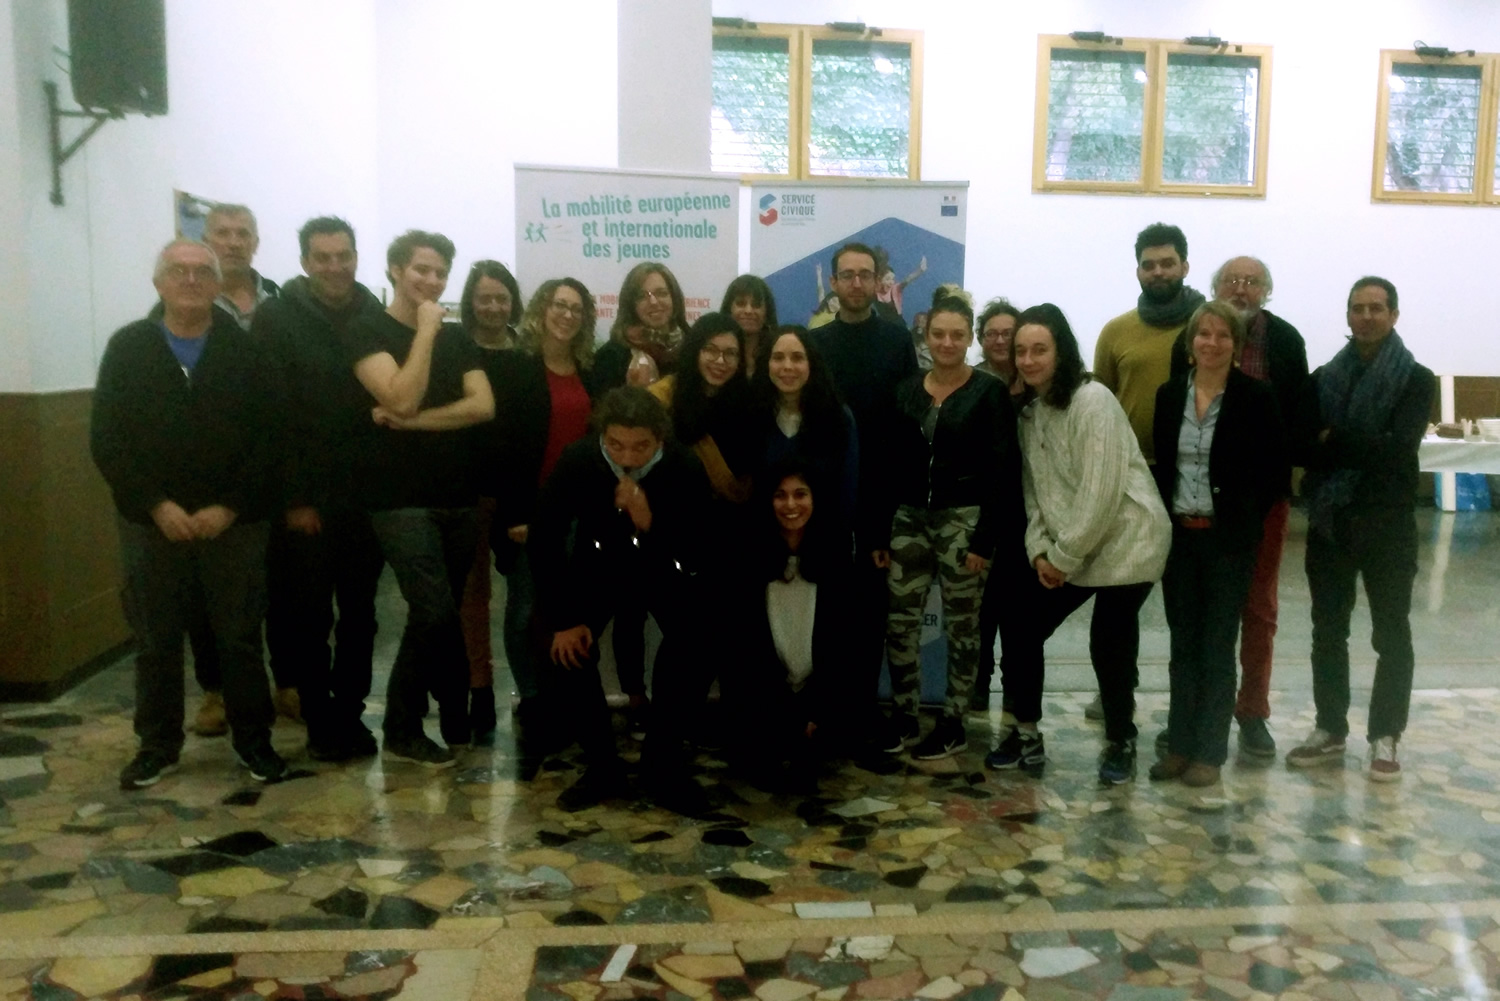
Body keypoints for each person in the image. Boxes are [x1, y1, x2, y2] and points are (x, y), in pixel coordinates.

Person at [91, 239, 286, 788]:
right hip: (151, 524)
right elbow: (107, 439)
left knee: (240, 639)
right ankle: (157, 745)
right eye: (179, 271)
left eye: (203, 271)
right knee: (155, 641)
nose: (192, 280)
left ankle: (254, 742)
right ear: (159, 282)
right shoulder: (129, 347)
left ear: (218, 284)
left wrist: (231, 505)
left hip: (234, 524)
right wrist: (156, 504)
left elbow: (271, 438)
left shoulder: (247, 352)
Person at [986, 304, 1170, 784]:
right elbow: (1034, 494)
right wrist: (1038, 551)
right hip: (1070, 547)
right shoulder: (1031, 415)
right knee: (1021, 623)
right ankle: (1025, 730)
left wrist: (1063, 558)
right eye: (1021, 351)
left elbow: (1100, 491)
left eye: (1039, 349)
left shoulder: (1093, 401)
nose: (1028, 360)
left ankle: (1121, 739)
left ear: (1061, 351)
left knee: (1109, 639)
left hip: (1128, 541)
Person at [346, 230, 495, 768]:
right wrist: (427, 330)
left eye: (440, 273)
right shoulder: (367, 330)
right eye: (421, 270)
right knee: (433, 612)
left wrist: (410, 425)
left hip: (458, 495)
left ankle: (427, 718)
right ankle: (413, 723)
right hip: (399, 499)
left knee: (434, 614)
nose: (432, 281)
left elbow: (482, 406)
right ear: (395, 270)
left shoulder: (459, 340)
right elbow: (402, 395)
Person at [530, 388, 711, 815]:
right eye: (615, 445)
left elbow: (700, 547)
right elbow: (545, 537)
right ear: (602, 436)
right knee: (560, 646)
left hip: (662, 565)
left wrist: (650, 521)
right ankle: (601, 767)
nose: (627, 457)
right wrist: (564, 619)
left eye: (640, 447)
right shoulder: (579, 459)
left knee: (698, 641)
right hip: (599, 566)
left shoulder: (684, 464)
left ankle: (662, 764)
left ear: (660, 439)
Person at [1286, 277, 1433, 782]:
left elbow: (1398, 451)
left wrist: (1335, 438)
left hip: (1387, 524)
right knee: (1328, 630)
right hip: (1331, 522)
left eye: (1376, 308)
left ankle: (1385, 735)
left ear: (1394, 315)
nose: (1366, 316)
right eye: (1358, 308)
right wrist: (1355, 443)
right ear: (1347, 316)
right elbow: (1301, 446)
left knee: (1391, 632)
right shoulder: (1324, 378)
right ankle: (1330, 728)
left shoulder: (1417, 379)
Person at [254, 216, 386, 763]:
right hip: (306, 497)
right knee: (308, 617)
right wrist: (295, 499)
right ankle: (318, 717)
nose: (335, 266)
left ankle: (350, 711)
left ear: (356, 256)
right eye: (323, 257)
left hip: (366, 494)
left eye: (344, 255)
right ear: (305, 262)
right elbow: (269, 416)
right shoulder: (275, 318)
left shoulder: (374, 313)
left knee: (361, 615)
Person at [1165, 256, 1307, 758]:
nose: (1241, 289)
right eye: (1231, 281)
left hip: (1254, 511)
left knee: (1256, 610)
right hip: (1191, 515)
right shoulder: (1181, 366)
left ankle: (1250, 712)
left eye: (1252, 282)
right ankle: (1189, 724)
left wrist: (1250, 507)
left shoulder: (1284, 342)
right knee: (1193, 629)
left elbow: (1292, 429)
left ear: (1266, 291)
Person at [1149, 302, 1286, 787]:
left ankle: (1209, 751)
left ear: (1237, 344)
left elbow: (1273, 473)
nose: (1212, 342)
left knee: (1217, 645)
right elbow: (1164, 464)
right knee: (1183, 643)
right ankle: (1179, 745)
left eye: (1223, 335)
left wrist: (1240, 520)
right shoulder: (1170, 395)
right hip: (1180, 539)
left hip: (1228, 542)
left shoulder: (1256, 397)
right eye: (1203, 334)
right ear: (1191, 343)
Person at [880, 290, 1018, 759]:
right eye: (938, 333)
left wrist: (985, 539)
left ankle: (954, 721)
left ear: (969, 338)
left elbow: (1002, 471)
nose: (946, 342)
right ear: (926, 334)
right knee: (900, 623)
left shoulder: (989, 392)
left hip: (964, 520)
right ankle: (904, 715)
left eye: (957, 335)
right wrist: (882, 530)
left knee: (963, 627)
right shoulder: (906, 390)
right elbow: (890, 464)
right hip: (909, 517)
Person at [182, 203, 289, 736]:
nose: (232, 241)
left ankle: (287, 682)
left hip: (274, 467)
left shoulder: (282, 302)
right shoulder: (182, 306)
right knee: (209, 597)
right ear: (207, 239)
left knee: (284, 584)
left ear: (256, 241)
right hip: (212, 478)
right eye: (222, 233)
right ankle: (217, 691)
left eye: (242, 233)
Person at [810, 242, 919, 748]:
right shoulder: (816, 344)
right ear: (833, 283)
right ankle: (826, 712)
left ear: (878, 283)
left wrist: (887, 512)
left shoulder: (896, 341)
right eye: (847, 275)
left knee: (871, 614)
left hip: (880, 499)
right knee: (828, 612)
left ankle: (863, 713)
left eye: (865, 275)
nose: (856, 283)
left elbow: (905, 425)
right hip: (823, 498)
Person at [493, 278, 602, 755]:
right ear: (542, 309)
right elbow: (506, 450)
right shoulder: (518, 369)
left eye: (576, 308)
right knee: (523, 611)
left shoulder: (590, 371)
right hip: (531, 511)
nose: (567, 314)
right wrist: (514, 514)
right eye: (560, 305)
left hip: (582, 509)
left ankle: (564, 698)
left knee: (570, 609)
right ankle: (532, 696)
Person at [723, 464, 855, 790]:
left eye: (800, 494)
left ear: (815, 499)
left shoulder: (836, 555)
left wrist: (815, 709)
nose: (791, 505)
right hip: (766, 687)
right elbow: (745, 645)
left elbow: (841, 644)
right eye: (780, 496)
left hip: (814, 689)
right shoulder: (748, 554)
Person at [458, 260, 525, 741]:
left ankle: (534, 688)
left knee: (528, 598)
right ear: (471, 301)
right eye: (485, 298)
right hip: (469, 489)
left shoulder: (528, 354)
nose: (494, 306)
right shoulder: (454, 349)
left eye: (502, 298)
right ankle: (479, 687)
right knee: (472, 598)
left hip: (520, 492)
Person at [1094, 223, 1204, 464]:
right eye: (1148, 265)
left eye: (1167, 264)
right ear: (1138, 272)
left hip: (1196, 464)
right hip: (1131, 462)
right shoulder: (1115, 331)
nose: (1158, 272)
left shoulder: (1207, 329)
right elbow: (1099, 402)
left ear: (1185, 267)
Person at [972, 297, 1028, 715]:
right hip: (983, 509)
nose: (999, 340)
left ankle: (1015, 689)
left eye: (1007, 333)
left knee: (1017, 609)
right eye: (990, 333)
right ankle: (977, 684)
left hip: (1029, 510)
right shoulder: (971, 384)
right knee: (981, 607)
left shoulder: (1037, 386)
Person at [756, 326, 860, 545]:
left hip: (825, 543)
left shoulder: (838, 417)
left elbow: (847, 491)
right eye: (778, 357)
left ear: (811, 363)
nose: (787, 366)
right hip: (762, 543)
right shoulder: (750, 416)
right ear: (766, 364)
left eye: (797, 358)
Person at [595, 262, 688, 390]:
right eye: (642, 296)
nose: (653, 302)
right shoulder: (611, 356)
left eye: (661, 293)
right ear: (631, 306)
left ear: (674, 298)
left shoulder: (693, 348)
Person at [720, 274, 778, 377]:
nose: (748, 311)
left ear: (767, 313)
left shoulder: (778, 353)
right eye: (741, 304)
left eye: (756, 305)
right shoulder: (716, 355)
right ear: (729, 310)